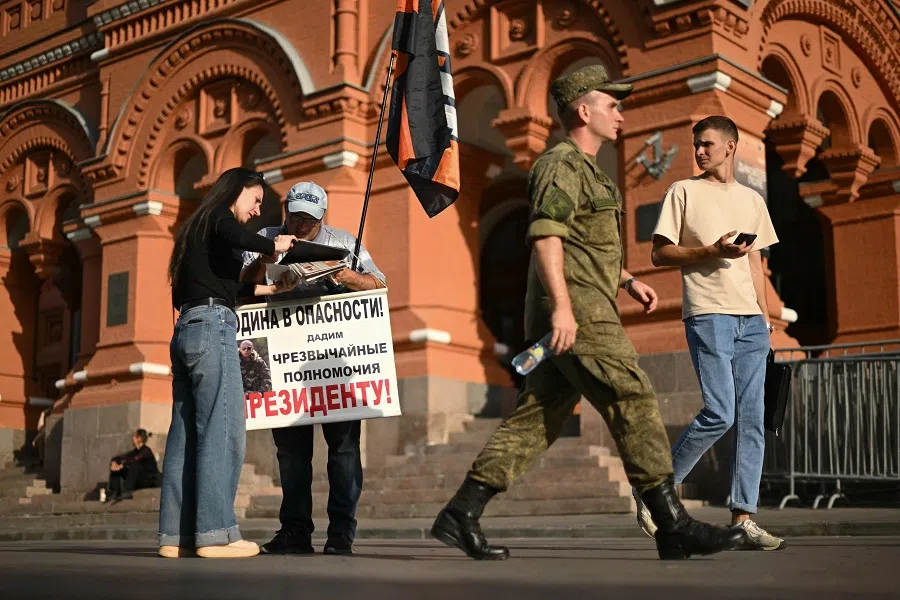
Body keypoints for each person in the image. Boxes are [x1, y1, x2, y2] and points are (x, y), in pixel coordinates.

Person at [429, 65, 744, 561]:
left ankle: (460, 513)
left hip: (587, 302)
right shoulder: (561, 164)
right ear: (583, 110)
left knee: (538, 418)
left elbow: (582, 241)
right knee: (632, 393)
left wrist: (627, 279)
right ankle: (672, 524)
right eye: (612, 105)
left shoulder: (591, 170)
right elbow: (548, 235)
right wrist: (562, 311)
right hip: (580, 310)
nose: (619, 114)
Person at [643, 115, 785, 551]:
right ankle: (656, 494)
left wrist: (764, 317)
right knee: (720, 412)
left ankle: (744, 520)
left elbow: (756, 264)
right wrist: (710, 251)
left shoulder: (752, 200)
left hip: (750, 323)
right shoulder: (683, 191)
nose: (699, 151)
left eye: (706, 144)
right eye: (696, 145)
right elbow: (659, 252)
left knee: (752, 422)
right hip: (708, 314)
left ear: (730, 146)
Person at [160, 167, 299, 559]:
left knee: (184, 436)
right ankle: (215, 534)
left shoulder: (196, 228)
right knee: (223, 428)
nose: (257, 211)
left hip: (187, 327)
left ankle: (176, 537)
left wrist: (273, 286)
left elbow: (227, 287)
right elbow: (235, 235)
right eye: (256, 201)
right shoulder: (220, 217)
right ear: (238, 189)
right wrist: (273, 246)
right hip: (212, 328)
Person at [242, 181, 386, 556]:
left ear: (323, 217)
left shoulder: (343, 241)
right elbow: (241, 285)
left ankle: (341, 534)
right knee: (291, 454)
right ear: (285, 210)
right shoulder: (266, 236)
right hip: (284, 363)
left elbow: (380, 284)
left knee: (343, 450)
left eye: (310, 220)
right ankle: (295, 531)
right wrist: (266, 261)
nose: (302, 226)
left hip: (333, 362)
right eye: (296, 217)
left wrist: (345, 275)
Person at [105, 429, 162, 503]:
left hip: (151, 480)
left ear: (139, 438)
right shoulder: (134, 452)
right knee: (118, 467)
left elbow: (135, 459)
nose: (132, 438)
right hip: (140, 480)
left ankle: (127, 491)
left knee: (134, 464)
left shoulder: (146, 450)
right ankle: (113, 490)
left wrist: (123, 465)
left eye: (134, 436)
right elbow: (123, 457)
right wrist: (114, 462)